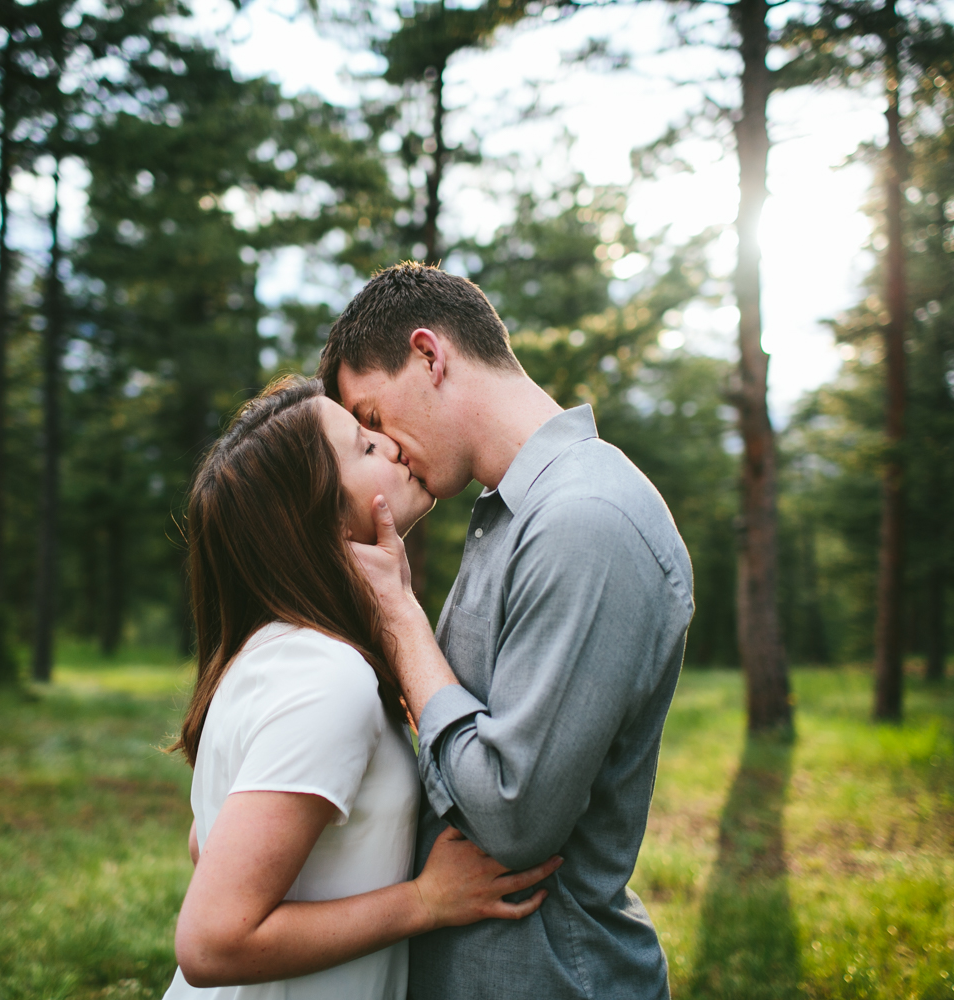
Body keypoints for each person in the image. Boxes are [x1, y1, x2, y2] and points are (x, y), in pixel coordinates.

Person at [318, 261, 694, 1000]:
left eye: (371, 416)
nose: (384, 449)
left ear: (430, 354)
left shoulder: (585, 522)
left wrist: (400, 617)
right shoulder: (515, 513)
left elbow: (512, 816)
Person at [162, 376, 563, 1000]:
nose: (393, 445)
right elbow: (211, 941)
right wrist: (425, 902)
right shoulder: (326, 677)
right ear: (315, 516)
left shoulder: (274, 652)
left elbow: (206, 843)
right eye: (365, 448)